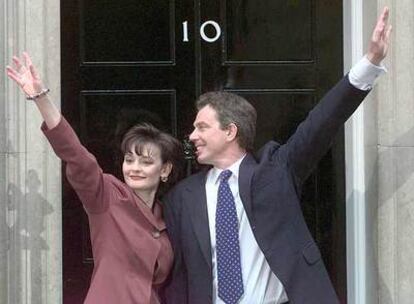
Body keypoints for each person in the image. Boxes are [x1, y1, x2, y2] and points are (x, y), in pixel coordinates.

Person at [163, 7, 392, 304]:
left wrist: (370, 62)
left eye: (202, 127)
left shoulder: (274, 171)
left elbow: (321, 123)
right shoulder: (182, 197)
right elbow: (180, 278)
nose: (192, 136)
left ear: (230, 131)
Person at [6, 54, 183, 304]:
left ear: (164, 170)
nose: (135, 168)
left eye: (146, 162)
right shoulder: (108, 195)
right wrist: (41, 98)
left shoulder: (167, 217)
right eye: (129, 159)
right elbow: (77, 157)